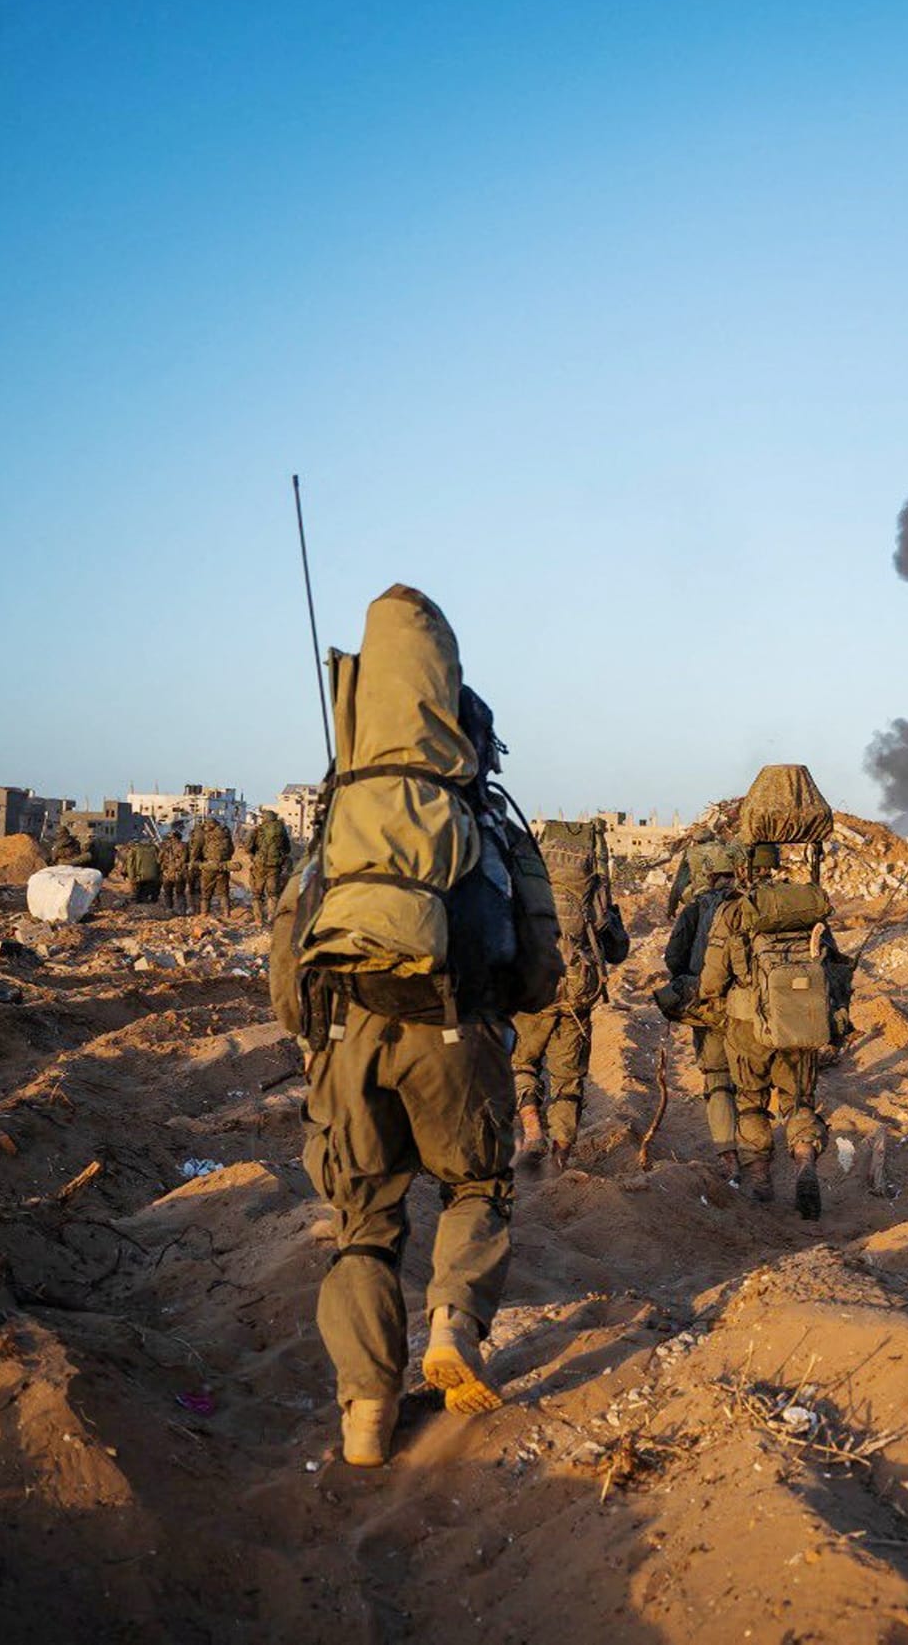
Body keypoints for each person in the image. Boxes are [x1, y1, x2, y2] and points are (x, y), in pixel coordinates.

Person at [281, 583, 562, 1469]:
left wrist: (320, 1037)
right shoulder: (484, 824)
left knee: (363, 1225)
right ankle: (453, 1325)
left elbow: (289, 967)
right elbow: (540, 968)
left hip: (345, 1039)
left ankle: (365, 1414)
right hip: (456, 1032)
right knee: (477, 1186)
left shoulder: (340, 824)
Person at [695, 842, 853, 1217]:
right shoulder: (805, 905)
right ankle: (804, 1160)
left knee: (750, 1101)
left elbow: (714, 976)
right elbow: (832, 968)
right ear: (777, 864)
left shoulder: (735, 908)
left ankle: (761, 1178)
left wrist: (707, 999)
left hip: (748, 1025)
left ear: (745, 868)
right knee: (798, 1101)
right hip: (801, 1023)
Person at [510, 819, 628, 1164]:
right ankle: (560, 1159)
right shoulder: (593, 888)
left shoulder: (529, 880)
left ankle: (532, 1130)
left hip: (535, 989)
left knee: (523, 1062)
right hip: (578, 992)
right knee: (568, 1078)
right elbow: (618, 949)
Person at [661, 841, 742, 1175]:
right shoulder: (748, 905)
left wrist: (688, 983)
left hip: (708, 1007)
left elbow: (673, 958)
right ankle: (759, 1162)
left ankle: (729, 1157)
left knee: (718, 1078)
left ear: (709, 874)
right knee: (752, 1084)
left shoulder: (696, 908)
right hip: (747, 1008)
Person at [190, 815, 235, 919]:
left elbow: (197, 849)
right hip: (223, 866)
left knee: (206, 891)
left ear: (210, 825)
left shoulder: (207, 835)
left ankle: (204, 913)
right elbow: (232, 850)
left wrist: (195, 861)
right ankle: (226, 913)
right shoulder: (225, 834)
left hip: (209, 866)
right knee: (224, 892)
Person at [249, 808, 293, 912]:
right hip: (274, 866)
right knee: (273, 893)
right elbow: (287, 849)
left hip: (259, 865)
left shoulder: (258, 830)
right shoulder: (281, 830)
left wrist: (254, 854)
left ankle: (258, 920)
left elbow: (248, 846)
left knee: (257, 894)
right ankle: (271, 917)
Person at [158, 824, 194, 915]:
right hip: (179, 873)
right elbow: (186, 859)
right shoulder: (184, 846)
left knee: (168, 893)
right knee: (180, 893)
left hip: (167, 873)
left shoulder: (164, 846)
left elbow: (158, 860)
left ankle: (169, 909)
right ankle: (182, 911)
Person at [119, 837, 163, 909]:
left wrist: (131, 877)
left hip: (139, 876)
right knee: (149, 891)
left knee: (136, 895)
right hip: (153, 876)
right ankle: (151, 904)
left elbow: (130, 865)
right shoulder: (154, 849)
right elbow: (159, 862)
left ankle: (138, 907)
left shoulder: (133, 850)